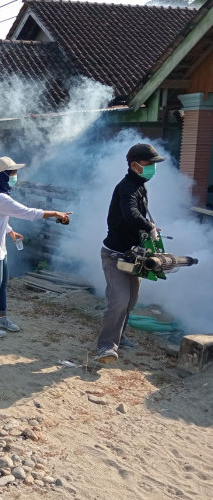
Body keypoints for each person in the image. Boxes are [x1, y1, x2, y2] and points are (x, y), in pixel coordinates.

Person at [0, 157, 71, 338]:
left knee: (2, 284)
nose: (15, 176)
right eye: (12, 173)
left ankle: (1, 318)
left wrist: (10, 232)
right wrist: (56, 213)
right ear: (3, 175)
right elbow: (28, 213)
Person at [95, 144, 165, 363]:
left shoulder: (140, 186)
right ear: (135, 165)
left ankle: (120, 335)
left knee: (131, 300)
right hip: (114, 255)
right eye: (149, 164)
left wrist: (149, 227)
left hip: (132, 257)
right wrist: (149, 227)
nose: (153, 168)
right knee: (119, 300)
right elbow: (130, 215)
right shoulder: (127, 187)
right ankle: (106, 347)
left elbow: (137, 218)